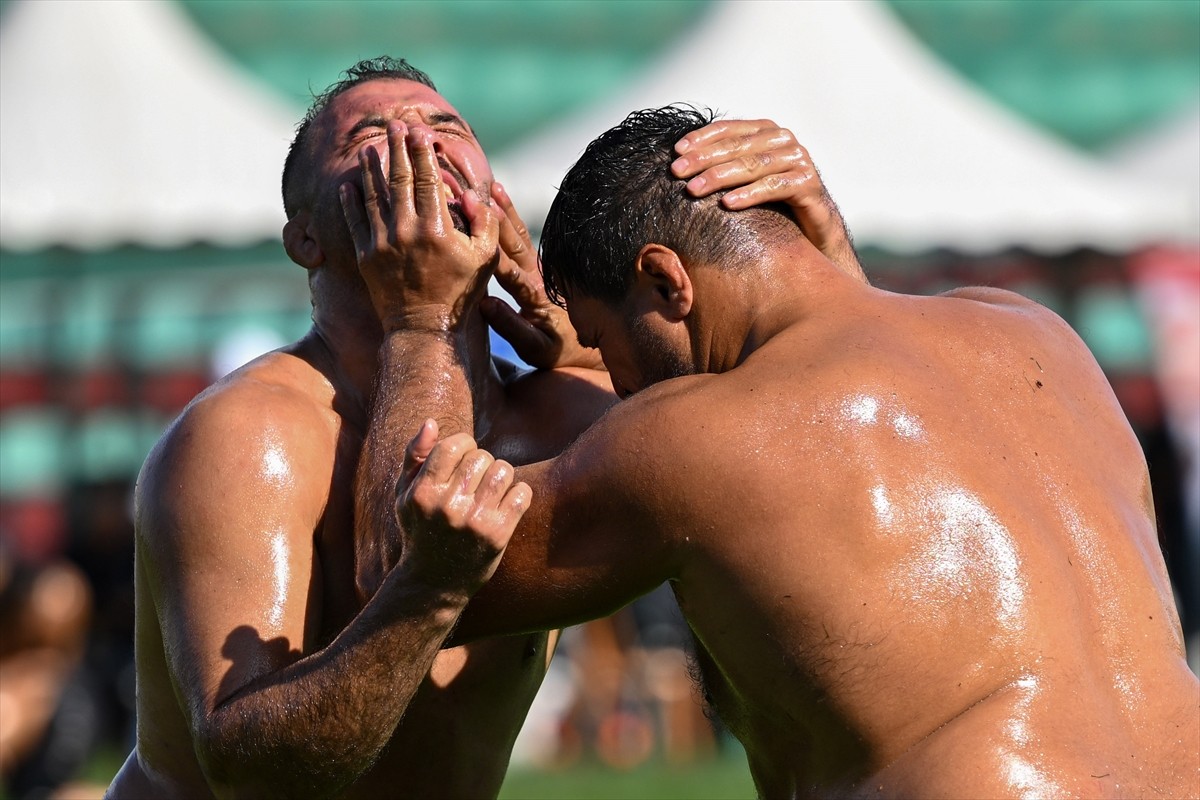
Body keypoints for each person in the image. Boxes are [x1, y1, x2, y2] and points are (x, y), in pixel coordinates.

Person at [373, 105, 1200, 798]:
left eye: (599, 344)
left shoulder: (696, 436)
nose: (611, 384)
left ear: (667, 283)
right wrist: (830, 253)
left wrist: (421, 320)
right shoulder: (1038, 339)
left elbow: (407, 569)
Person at [104, 57, 861, 798]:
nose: (416, 142)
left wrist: (823, 250)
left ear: (495, 201)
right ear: (305, 240)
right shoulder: (252, 434)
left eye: (443, 125)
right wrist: (421, 321)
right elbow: (245, 769)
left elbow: (833, 454)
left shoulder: (572, 410)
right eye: (368, 136)